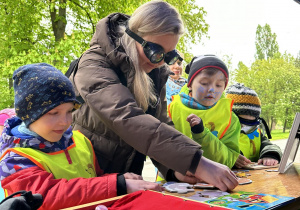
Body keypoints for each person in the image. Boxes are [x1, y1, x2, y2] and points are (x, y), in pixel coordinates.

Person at [70, 0, 238, 191]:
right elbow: (128, 118)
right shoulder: (94, 64)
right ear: (134, 35)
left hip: (128, 179)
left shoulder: (155, 73)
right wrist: (198, 162)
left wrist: (175, 170)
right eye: (155, 52)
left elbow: (160, 124)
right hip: (87, 179)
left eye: (168, 56)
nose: (160, 63)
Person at [0, 63, 162, 210]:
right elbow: (46, 195)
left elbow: (93, 179)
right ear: (28, 115)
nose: (65, 121)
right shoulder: (14, 160)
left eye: (69, 111)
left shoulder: (79, 140)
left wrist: (118, 178)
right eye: (53, 113)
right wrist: (117, 185)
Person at [167, 55, 240, 171]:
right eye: (205, 83)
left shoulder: (230, 118)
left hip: (215, 184)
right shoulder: (171, 111)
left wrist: (202, 134)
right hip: (174, 184)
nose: (212, 89)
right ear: (190, 84)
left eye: (219, 85)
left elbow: (227, 161)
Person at [225, 83, 282, 168]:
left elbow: (269, 145)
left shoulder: (256, 132)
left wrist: (270, 155)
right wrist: (232, 158)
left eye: (251, 123)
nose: (246, 128)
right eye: (241, 123)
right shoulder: (222, 133)